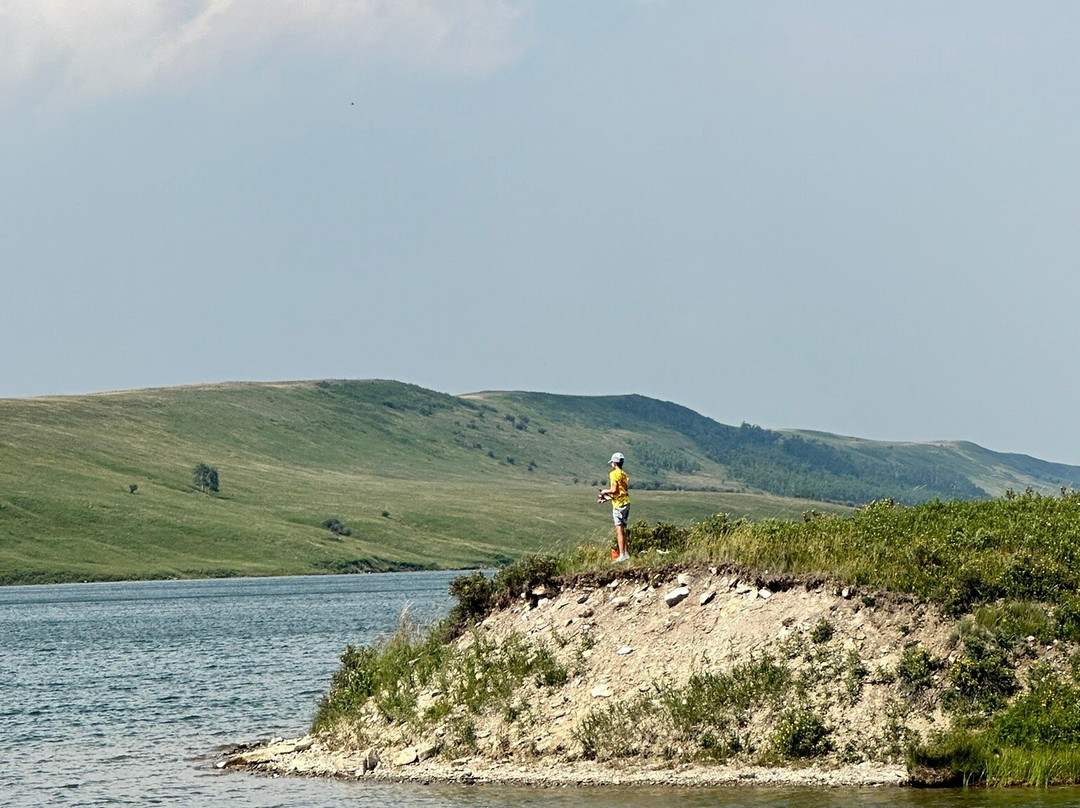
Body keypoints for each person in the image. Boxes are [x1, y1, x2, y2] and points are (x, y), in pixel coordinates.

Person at [598, 452, 630, 562]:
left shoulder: (614, 474)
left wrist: (603, 492)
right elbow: (620, 492)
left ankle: (622, 555)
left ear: (614, 463)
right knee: (624, 529)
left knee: (619, 530)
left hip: (618, 505)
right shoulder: (624, 474)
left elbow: (614, 490)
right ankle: (626, 553)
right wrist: (607, 498)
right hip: (625, 502)